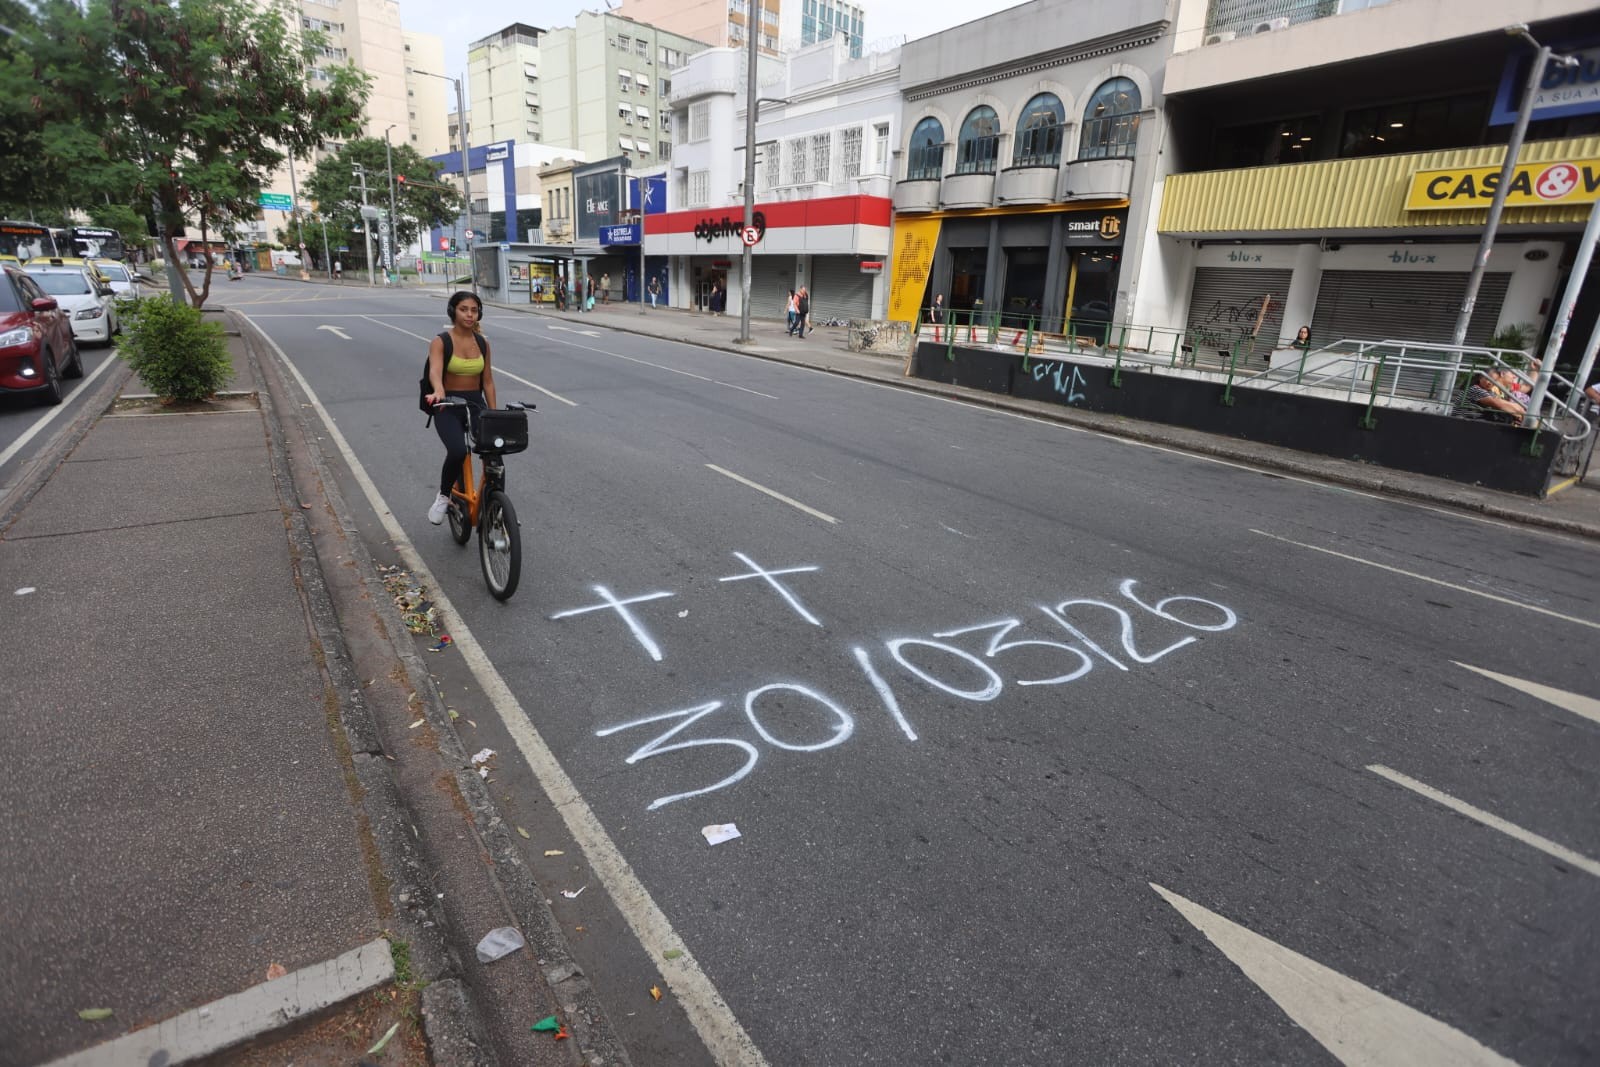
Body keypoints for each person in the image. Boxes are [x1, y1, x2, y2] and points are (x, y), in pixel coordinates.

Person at [423, 291, 497, 524]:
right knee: (458, 451)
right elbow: (435, 371)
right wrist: (438, 390)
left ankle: (495, 503)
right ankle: (444, 496)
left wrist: (492, 415)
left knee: (495, 453)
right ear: (453, 311)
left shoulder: (483, 343)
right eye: (464, 309)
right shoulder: (440, 341)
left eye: (474, 310)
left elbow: (487, 381)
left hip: (475, 403)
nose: (469, 314)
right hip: (447, 404)